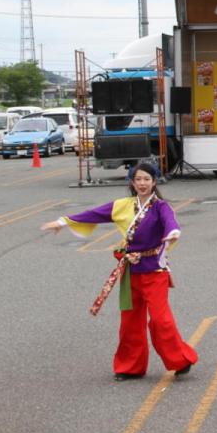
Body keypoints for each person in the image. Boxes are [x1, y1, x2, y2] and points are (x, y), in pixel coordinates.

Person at [40, 161, 197, 380]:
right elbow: (93, 214)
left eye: (147, 179)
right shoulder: (122, 205)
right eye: (138, 179)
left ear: (154, 182)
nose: (142, 183)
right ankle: (129, 367)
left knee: (162, 320)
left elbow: (170, 222)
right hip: (130, 272)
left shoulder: (161, 207)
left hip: (154, 272)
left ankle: (179, 360)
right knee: (130, 321)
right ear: (132, 182)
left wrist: (173, 233)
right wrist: (62, 222)